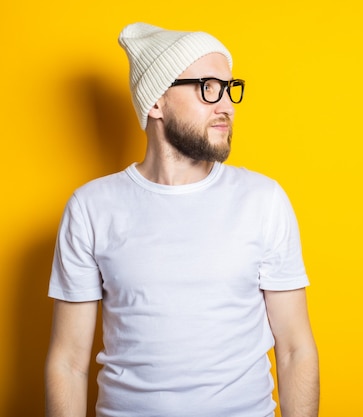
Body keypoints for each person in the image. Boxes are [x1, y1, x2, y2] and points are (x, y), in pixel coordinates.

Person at [45, 22, 319, 417]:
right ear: (156, 101)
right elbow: (68, 362)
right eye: (209, 87)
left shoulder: (263, 200)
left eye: (229, 89)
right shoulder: (91, 207)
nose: (226, 105)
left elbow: (295, 349)